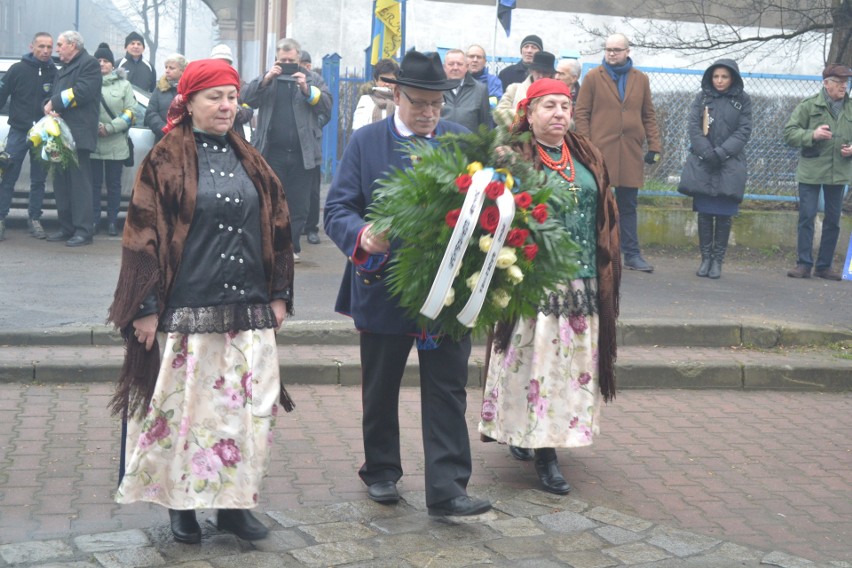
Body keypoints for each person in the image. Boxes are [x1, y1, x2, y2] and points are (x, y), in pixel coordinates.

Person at [107, 58, 295, 545]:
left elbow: (277, 223)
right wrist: (144, 307)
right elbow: (141, 234)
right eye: (215, 97)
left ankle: (234, 507)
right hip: (186, 313)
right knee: (185, 415)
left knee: (244, 416)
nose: (227, 106)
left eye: (232, 96)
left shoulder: (250, 157)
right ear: (188, 103)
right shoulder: (164, 159)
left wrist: (278, 294)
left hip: (248, 312)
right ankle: (181, 504)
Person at [324, 50, 491, 518]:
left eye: (437, 104)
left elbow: (486, 210)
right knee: (381, 385)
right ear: (396, 95)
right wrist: (362, 234)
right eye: (419, 102)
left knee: (448, 388)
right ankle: (381, 470)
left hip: (449, 293)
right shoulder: (366, 141)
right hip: (384, 287)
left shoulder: (460, 142)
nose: (429, 113)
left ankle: (448, 488)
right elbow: (337, 209)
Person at [479, 78, 621, 495]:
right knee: (535, 365)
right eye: (549, 106)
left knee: (568, 367)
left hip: (583, 281)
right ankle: (543, 451)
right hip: (536, 281)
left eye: (565, 106)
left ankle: (543, 437)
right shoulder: (514, 152)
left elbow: (605, 210)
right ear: (529, 112)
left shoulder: (585, 151)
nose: (560, 114)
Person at [574, 33, 662, 273]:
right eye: (608, 49)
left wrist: (654, 145)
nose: (611, 53)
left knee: (628, 206)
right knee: (597, 204)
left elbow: (648, 114)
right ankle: (594, 252)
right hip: (600, 152)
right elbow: (581, 114)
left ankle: (632, 255)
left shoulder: (640, 79)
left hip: (631, 152)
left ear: (627, 51)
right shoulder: (593, 77)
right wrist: (586, 146)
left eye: (616, 49)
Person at [242, 38, 332, 264]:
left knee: (298, 205)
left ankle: (290, 246)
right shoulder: (268, 77)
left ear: (299, 60)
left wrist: (306, 90)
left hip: (303, 154)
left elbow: (328, 108)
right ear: (276, 59)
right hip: (272, 152)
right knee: (272, 201)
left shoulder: (313, 79)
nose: (287, 64)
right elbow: (246, 99)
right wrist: (266, 79)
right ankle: (272, 245)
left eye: (291, 61)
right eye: (283, 60)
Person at [677, 59, 752, 279]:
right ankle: (705, 259)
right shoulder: (702, 98)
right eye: (716, 76)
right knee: (705, 213)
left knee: (724, 215)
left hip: (730, 163)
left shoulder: (742, 100)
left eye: (724, 77)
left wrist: (721, 153)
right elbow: (693, 126)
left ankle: (718, 260)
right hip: (704, 162)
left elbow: (743, 131)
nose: (719, 81)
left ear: (733, 78)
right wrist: (707, 152)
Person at [783, 64, 852, 281]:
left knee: (833, 219)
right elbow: (789, 134)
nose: (844, 86)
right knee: (807, 216)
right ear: (826, 83)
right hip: (811, 170)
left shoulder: (851, 107)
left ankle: (824, 266)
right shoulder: (808, 105)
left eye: (846, 82)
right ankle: (803, 264)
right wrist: (812, 134)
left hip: (838, 171)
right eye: (839, 82)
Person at [44, 30, 102, 247]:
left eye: (59, 44)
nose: (56, 49)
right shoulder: (65, 66)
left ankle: (83, 231)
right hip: (61, 134)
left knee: (79, 185)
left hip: (78, 134)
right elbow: (54, 95)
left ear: (73, 45)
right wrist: (48, 106)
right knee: (61, 184)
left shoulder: (89, 64)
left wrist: (55, 103)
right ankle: (66, 227)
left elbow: (82, 92)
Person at [0, 32, 56, 241]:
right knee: (7, 176)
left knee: (38, 180)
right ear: (31, 46)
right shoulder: (17, 70)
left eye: (49, 47)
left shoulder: (54, 72)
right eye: (41, 46)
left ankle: (34, 218)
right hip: (18, 131)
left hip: (42, 134)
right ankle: (1, 218)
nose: (45, 51)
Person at [90, 42, 136, 237]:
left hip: (115, 142)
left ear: (112, 64)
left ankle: (111, 221)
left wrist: (109, 128)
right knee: (93, 185)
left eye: (106, 61)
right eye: (98, 60)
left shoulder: (124, 85)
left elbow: (130, 112)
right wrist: (94, 127)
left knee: (114, 184)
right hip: (92, 142)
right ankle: (93, 219)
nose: (102, 64)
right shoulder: (88, 82)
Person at [298, 49, 323, 246]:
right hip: (289, 146)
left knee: (313, 191)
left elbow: (326, 107)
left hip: (311, 145)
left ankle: (312, 228)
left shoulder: (316, 80)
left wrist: (315, 126)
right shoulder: (280, 78)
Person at [493, 51, 556, 127]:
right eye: (538, 71)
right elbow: (498, 115)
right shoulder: (514, 89)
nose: (541, 76)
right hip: (515, 137)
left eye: (545, 73)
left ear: (551, 74)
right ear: (532, 71)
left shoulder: (557, 95)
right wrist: (527, 115)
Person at [209, 44, 255, 139]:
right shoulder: (203, 84)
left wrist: (237, 110)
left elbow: (249, 110)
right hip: (208, 136)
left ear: (230, 65)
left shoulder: (241, 85)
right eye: (218, 63)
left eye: (225, 63)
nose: (221, 67)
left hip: (234, 138)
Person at [441, 48, 492, 132]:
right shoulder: (436, 89)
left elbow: (485, 125)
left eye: (460, 64)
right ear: (444, 67)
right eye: (451, 64)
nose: (455, 67)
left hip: (470, 144)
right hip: (439, 143)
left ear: (466, 67)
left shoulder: (480, 90)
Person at [145, 53, 188, 144]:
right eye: (166, 67)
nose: (167, 71)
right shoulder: (160, 88)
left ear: (182, 70)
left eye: (171, 68)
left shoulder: (190, 89)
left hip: (186, 141)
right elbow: (150, 113)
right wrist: (164, 130)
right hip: (163, 141)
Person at [351, 58, 399, 131]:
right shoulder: (366, 100)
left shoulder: (402, 101)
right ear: (376, 80)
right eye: (383, 80)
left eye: (391, 80)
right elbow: (358, 129)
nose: (387, 84)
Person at [465, 44, 502, 109]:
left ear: (484, 61)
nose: (475, 60)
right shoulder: (458, 78)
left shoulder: (493, 82)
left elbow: (493, 106)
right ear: (465, 60)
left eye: (479, 57)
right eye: (471, 56)